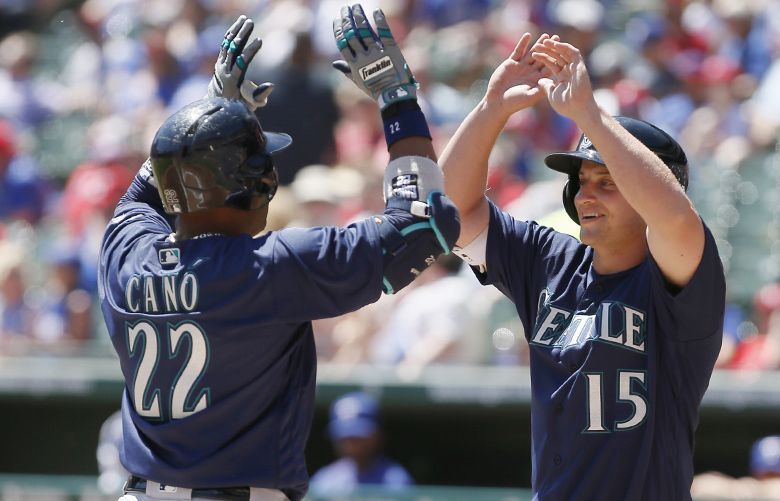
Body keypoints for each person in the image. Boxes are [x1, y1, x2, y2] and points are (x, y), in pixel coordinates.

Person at [98, 8, 459, 501]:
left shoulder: (125, 253)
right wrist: (397, 101)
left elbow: (147, 191)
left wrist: (208, 113)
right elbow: (425, 224)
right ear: (256, 184)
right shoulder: (271, 266)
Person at [440, 32, 726, 499]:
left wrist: (590, 115)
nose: (586, 194)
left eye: (607, 181)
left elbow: (674, 216)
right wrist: (491, 109)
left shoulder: (678, 278)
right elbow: (449, 214)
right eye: (582, 181)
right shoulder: (550, 261)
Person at [308, 392, 413, 496]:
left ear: (377, 436)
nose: (350, 444)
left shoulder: (395, 480)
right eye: (344, 437)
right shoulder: (325, 480)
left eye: (356, 437)